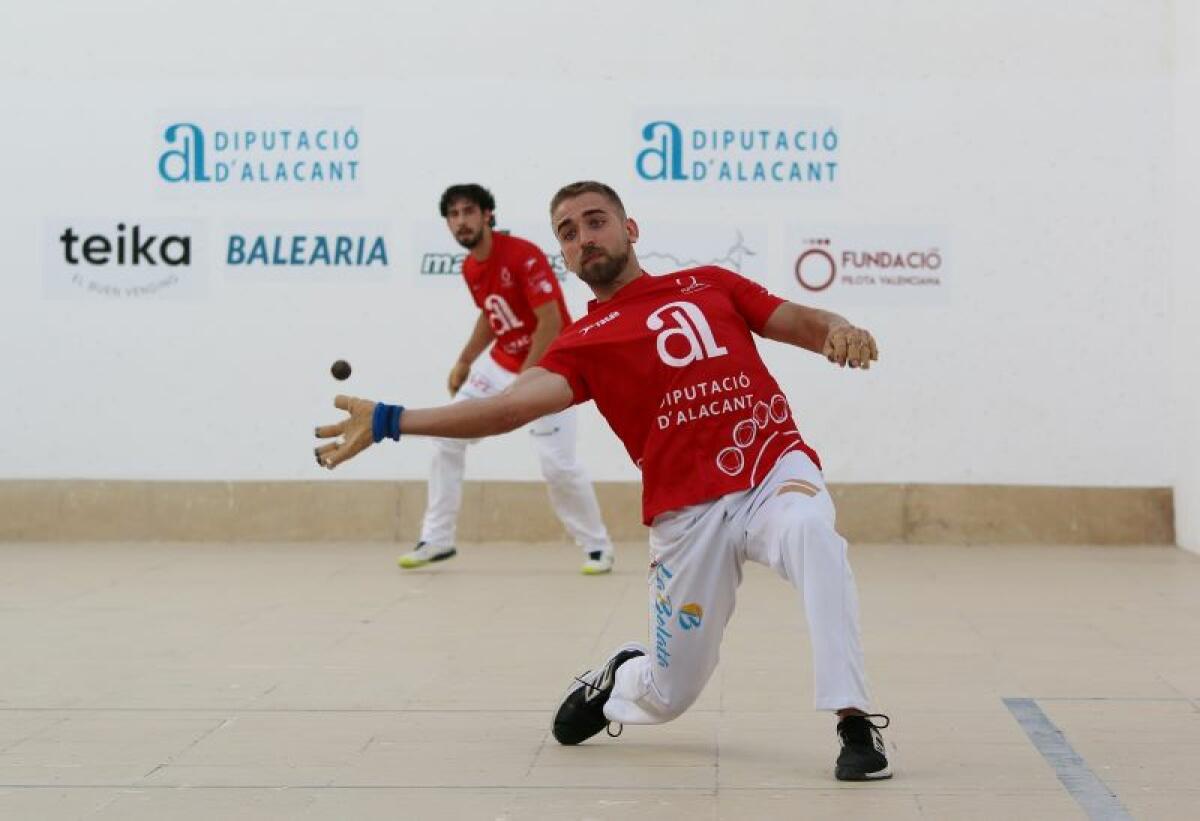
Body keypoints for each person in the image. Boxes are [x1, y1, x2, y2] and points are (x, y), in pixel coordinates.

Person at [315, 181, 892, 781]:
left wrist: (838, 329)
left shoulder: (711, 283)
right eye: (568, 233)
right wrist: (390, 421)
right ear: (564, 256)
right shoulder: (582, 343)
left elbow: (800, 320)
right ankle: (622, 676)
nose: (584, 237)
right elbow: (509, 408)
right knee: (671, 694)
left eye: (595, 222)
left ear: (629, 229)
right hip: (685, 515)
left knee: (811, 532)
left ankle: (853, 720)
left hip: (771, 469)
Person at [400, 183, 615, 575]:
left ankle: (598, 546)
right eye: (454, 215)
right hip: (501, 363)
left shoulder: (522, 256)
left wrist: (525, 384)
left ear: (488, 216)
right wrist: (465, 360)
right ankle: (437, 538)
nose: (461, 221)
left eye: (469, 212)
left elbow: (549, 320)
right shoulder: (470, 267)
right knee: (446, 438)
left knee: (557, 465)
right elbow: (491, 313)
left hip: (551, 364)